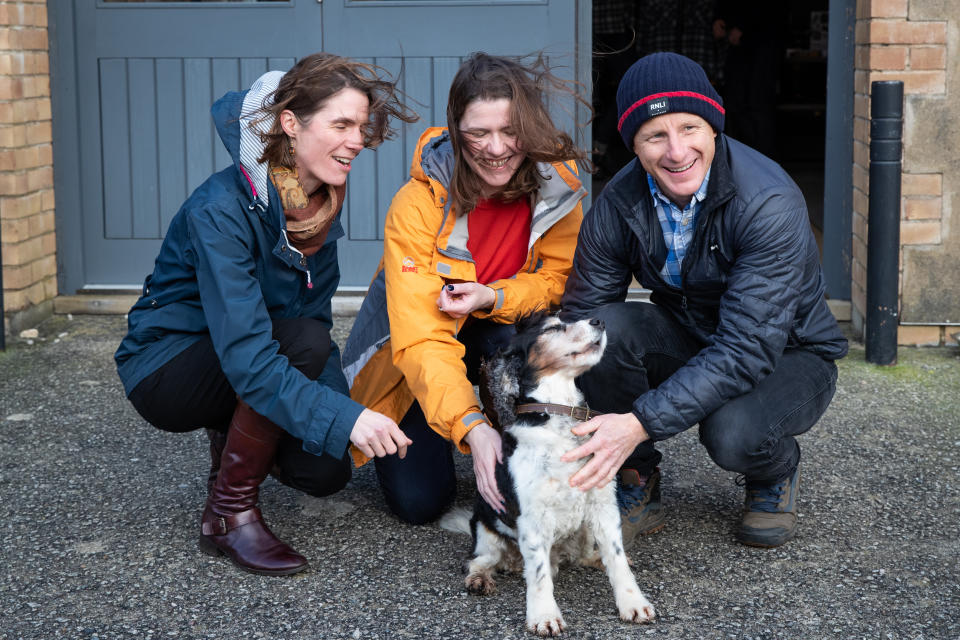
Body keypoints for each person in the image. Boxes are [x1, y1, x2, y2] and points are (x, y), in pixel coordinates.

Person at [114, 53, 418, 576]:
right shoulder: (221, 209)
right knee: (297, 350)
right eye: (341, 124)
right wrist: (346, 415)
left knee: (325, 470)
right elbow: (263, 355)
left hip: (248, 356)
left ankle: (232, 436)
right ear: (291, 123)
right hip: (167, 367)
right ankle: (229, 514)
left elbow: (316, 324)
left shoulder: (319, 205)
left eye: (361, 127)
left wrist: (333, 424)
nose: (357, 141)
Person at [559, 52, 848, 548]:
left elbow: (746, 349)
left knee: (731, 432)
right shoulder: (618, 202)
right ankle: (634, 476)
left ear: (713, 126)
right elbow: (581, 320)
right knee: (599, 334)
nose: (676, 151)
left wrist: (639, 421)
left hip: (788, 351)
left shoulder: (767, 201)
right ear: (634, 145)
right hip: (693, 333)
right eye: (655, 136)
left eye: (689, 128)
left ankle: (773, 470)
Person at [342, 52, 590, 524]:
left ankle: (521, 431)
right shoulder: (416, 204)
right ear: (456, 131)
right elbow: (422, 339)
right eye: (478, 133)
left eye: (509, 130)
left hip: (496, 330)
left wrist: (493, 296)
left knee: (507, 337)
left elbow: (558, 281)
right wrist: (472, 426)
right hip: (421, 349)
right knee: (419, 504)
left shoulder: (556, 190)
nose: (495, 149)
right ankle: (470, 427)